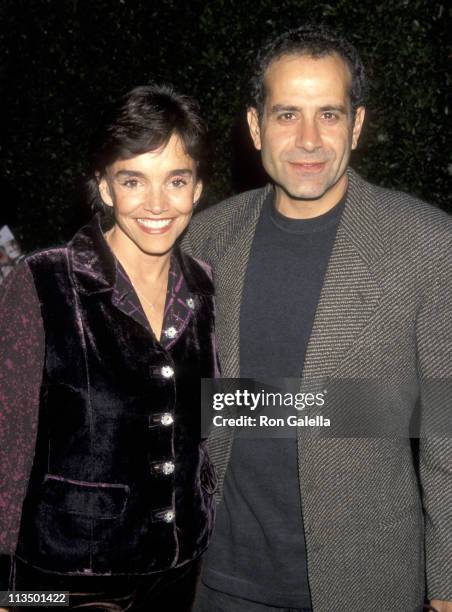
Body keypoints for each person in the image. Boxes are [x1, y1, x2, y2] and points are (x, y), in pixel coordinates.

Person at [182, 24, 452, 612]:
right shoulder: (204, 238)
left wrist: (448, 586)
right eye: (287, 115)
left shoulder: (428, 245)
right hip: (216, 579)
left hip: (364, 581)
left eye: (329, 115)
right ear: (255, 126)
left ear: (356, 124)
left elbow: (444, 426)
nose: (309, 139)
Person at [0, 84, 218, 611]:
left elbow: (212, 413)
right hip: (63, 582)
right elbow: (7, 441)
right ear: (103, 188)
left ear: (198, 188)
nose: (158, 204)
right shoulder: (45, 281)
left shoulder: (205, 287)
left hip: (176, 572)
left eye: (176, 179)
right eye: (133, 180)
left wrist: (376, 408)